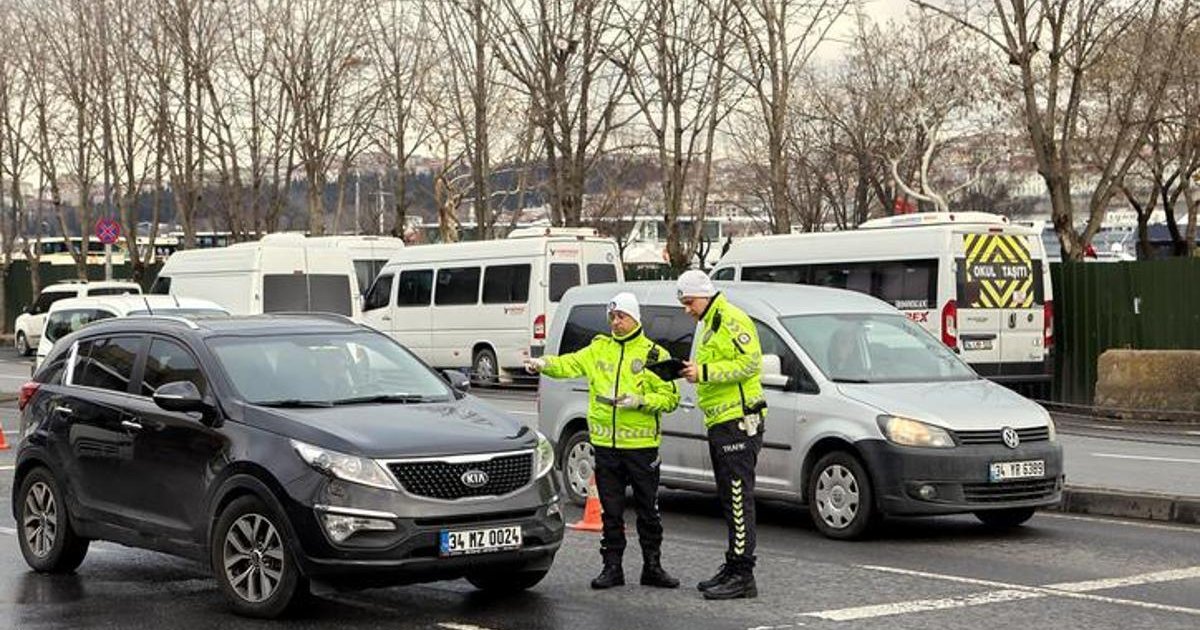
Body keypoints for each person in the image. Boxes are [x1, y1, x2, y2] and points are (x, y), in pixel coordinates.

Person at [525, 292, 681, 590]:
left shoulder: (654, 354)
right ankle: (612, 568)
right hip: (606, 445)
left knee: (648, 510)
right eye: (612, 316)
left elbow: (670, 399)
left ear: (634, 318)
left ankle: (653, 567)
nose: (615, 322)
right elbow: (569, 364)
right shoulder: (599, 349)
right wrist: (543, 363)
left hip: (641, 448)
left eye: (621, 316)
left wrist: (640, 401)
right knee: (611, 511)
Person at [676, 269, 765, 600]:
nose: (687, 309)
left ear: (704, 295)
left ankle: (743, 574)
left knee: (739, 498)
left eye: (689, 302)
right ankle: (733, 564)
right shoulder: (710, 323)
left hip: (738, 420)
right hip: (721, 421)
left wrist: (704, 372)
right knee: (729, 499)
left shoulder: (730, 319)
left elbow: (750, 363)